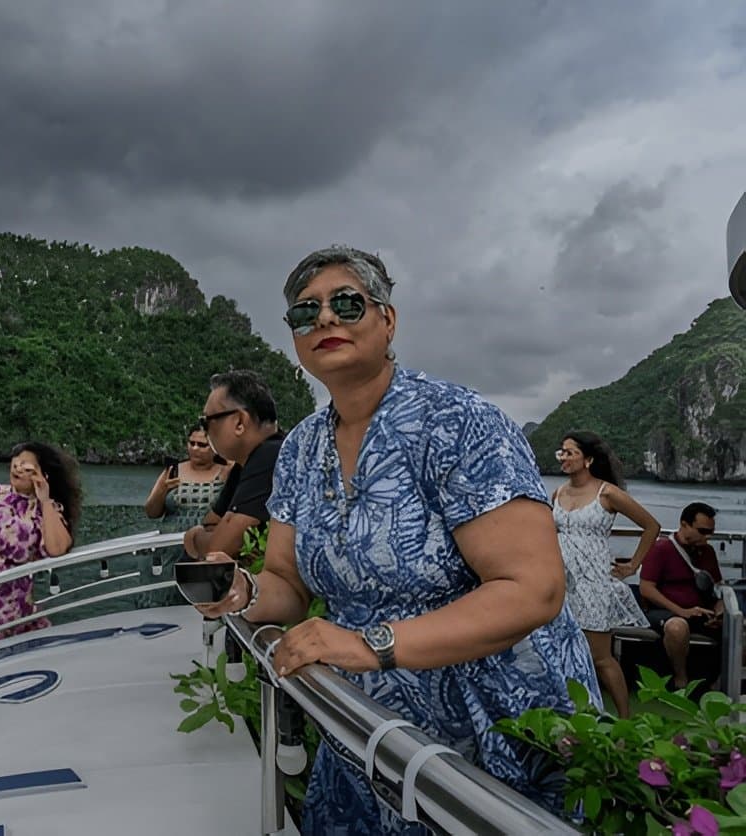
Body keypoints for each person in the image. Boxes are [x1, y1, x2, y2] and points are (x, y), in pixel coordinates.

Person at [196, 246, 598, 833]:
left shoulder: (460, 422)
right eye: (305, 313)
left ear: (388, 319)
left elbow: (532, 590)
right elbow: (287, 582)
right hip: (367, 721)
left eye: (346, 303)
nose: (325, 320)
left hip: (496, 718)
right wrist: (241, 591)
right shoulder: (302, 450)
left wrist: (370, 644)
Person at [552, 430, 661, 718]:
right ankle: (570, 714)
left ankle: (625, 719)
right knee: (561, 650)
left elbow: (651, 526)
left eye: (569, 452)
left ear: (587, 459)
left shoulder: (607, 493)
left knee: (601, 657)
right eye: (561, 452)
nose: (563, 457)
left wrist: (633, 565)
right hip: (561, 581)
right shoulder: (558, 492)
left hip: (594, 582)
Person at [0, 441, 82, 646]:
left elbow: (57, 549)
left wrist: (45, 498)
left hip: (11, 597)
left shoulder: (45, 511)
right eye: (16, 463)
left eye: (27, 467)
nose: (18, 469)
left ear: (42, 474)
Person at [182, 370, 284, 561]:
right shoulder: (244, 465)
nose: (205, 431)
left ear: (239, 422)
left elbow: (218, 549)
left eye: (206, 422)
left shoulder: (273, 456)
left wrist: (193, 538)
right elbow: (211, 523)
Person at [139, 425, 229, 604]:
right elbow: (151, 511)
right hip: (171, 547)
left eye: (202, 445)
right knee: (165, 597)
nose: (195, 448)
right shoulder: (174, 471)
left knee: (203, 597)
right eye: (192, 443)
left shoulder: (227, 472)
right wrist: (163, 490)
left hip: (205, 546)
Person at [639, 502, 723, 689]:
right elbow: (646, 588)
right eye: (702, 531)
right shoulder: (661, 549)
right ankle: (681, 679)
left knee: (737, 627)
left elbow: (717, 589)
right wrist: (681, 611)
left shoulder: (707, 552)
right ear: (684, 525)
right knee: (677, 627)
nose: (706, 537)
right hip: (666, 611)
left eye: (710, 533)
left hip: (701, 611)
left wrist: (719, 613)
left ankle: (721, 679)